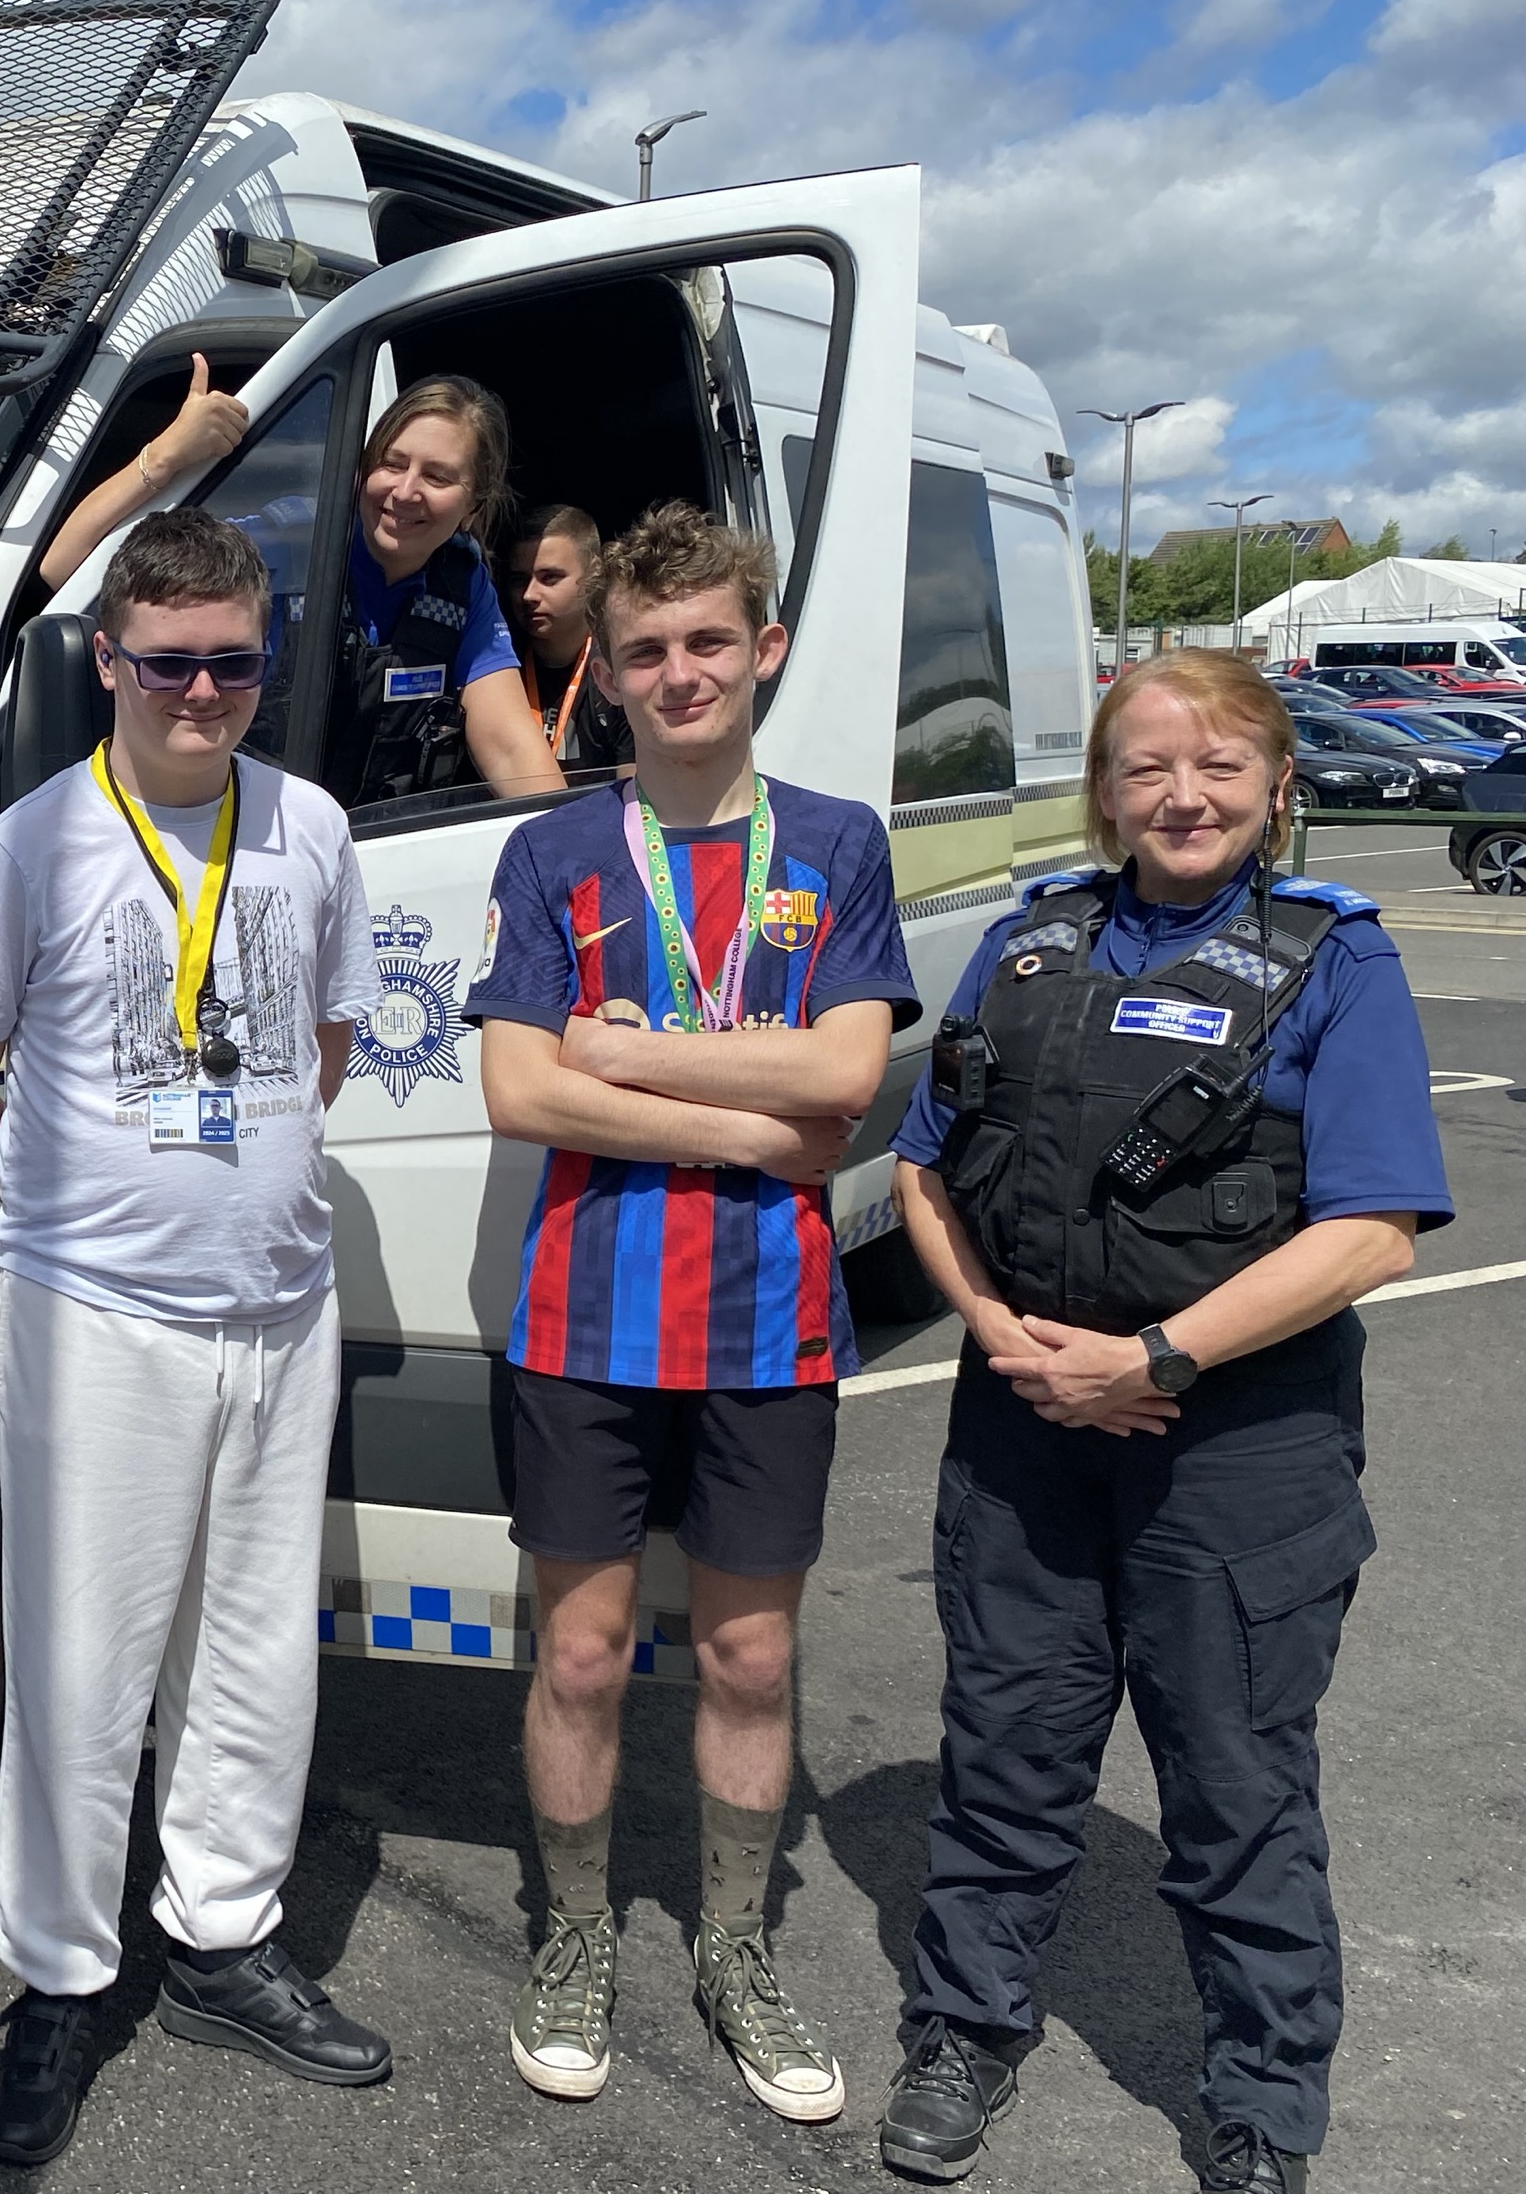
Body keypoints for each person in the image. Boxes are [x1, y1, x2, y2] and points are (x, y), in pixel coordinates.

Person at [873, 649, 1445, 2194]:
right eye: (1147, 767)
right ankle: (964, 2028)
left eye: (1218, 767)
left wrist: (1159, 1361)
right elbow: (925, 1166)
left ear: (1275, 789)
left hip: (1235, 1451)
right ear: (1105, 791)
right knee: (1004, 1750)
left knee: (1237, 1784)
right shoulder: (1029, 943)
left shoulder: (1337, 960)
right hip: (1024, 1428)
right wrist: (989, 1327)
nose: (1182, 795)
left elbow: (1376, 1225)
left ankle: (1263, 2103)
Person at [0, 507, 391, 2171]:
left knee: (254, 1643)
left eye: (233, 659)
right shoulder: (26, 843)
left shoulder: (312, 828)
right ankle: (56, 1975)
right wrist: (85, 1210)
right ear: (107, 659)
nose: (202, 688)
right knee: (80, 1660)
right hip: (92, 1314)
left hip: (277, 1303)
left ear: (264, 660)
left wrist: (228, 1184)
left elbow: (324, 1040)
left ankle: (219, 1932)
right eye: (169, 659)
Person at [467, 501, 914, 2129]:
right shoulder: (552, 852)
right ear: (609, 673)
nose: (675, 672)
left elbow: (848, 1076)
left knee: (743, 1651)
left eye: (704, 641)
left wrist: (631, 1055)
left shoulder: (833, 842)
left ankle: (732, 1946)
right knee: (577, 1650)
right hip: (581, 1325)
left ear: (759, 648)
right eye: (644, 647)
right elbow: (517, 1085)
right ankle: (571, 1934)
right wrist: (744, 1125)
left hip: (763, 1331)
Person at [33, 365, 563, 806]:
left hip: (378, 851)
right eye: (392, 464)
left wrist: (576, 864)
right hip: (250, 835)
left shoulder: (461, 580)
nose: (405, 491)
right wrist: (169, 454)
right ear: (361, 470)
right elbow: (65, 565)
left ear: (474, 505)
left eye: (438, 477)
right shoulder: (293, 541)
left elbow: (514, 747)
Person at [497, 504, 630, 773]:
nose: (529, 595)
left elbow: (635, 802)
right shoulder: (493, 667)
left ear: (594, 574)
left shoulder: (623, 671)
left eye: (550, 578)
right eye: (518, 580)